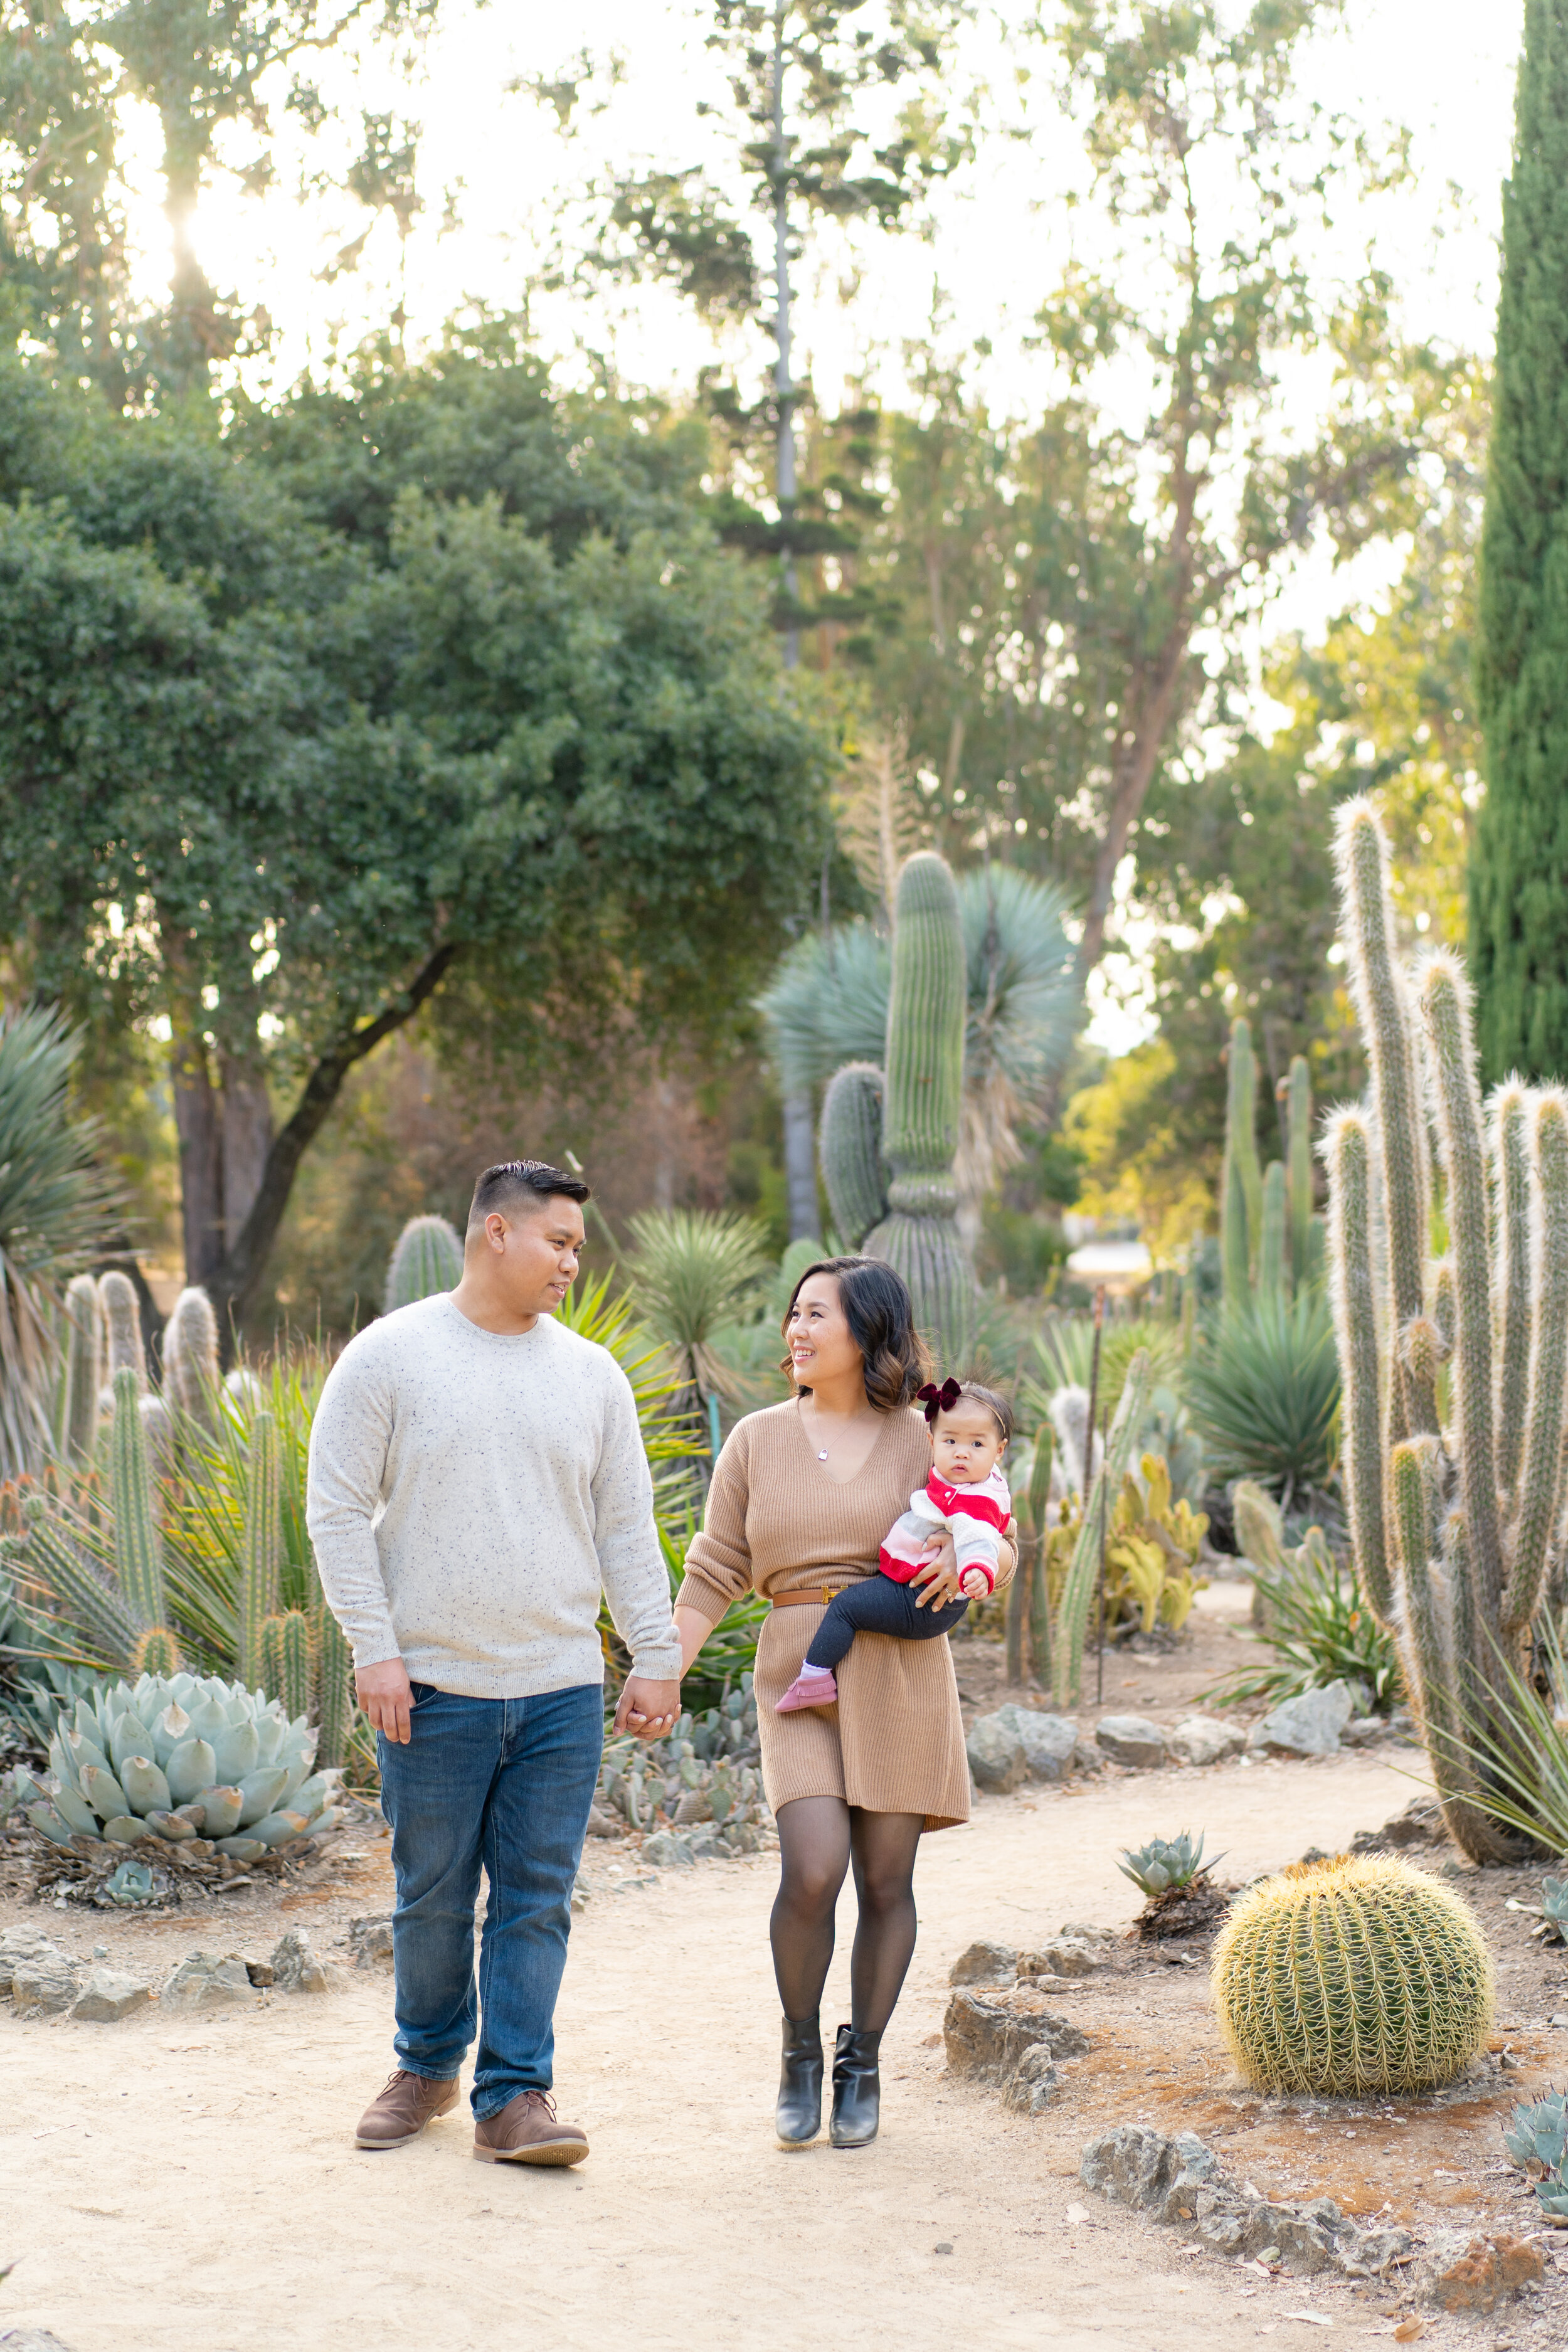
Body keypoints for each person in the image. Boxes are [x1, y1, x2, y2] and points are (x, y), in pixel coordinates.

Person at [306, 1158, 681, 2167]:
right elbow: (336, 1509)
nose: (571, 1261)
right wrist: (373, 1649)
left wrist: (658, 1652)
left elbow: (626, 1527)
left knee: (537, 1895)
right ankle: (426, 2064)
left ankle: (514, 2096)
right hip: (429, 1687)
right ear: (497, 1233)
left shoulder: (593, 1376)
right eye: (558, 1241)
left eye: (578, 1247)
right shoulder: (389, 1357)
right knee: (430, 1894)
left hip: (559, 1686)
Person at [671, 1256, 1017, 2153]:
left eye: (815, 1313)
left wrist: (983, 1565)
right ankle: (799, 2047)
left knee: (888, 1879)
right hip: (799, 1665)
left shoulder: (922, 1434)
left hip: (900, 1666)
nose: (796, 1328)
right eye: (793, 1312)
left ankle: (860, 2057)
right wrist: (663, 1667)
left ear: (866, 1329)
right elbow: (715, 1566)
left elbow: (990, 1517)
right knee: (814, 1865)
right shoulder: (754, 1438)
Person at [775, 1377, 1014, 1713]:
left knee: (846, 1608)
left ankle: (813, 1680)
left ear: (999, 1450)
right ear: (931, 1441)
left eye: (977, 1445)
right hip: (921, 1595)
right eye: (950, 1441)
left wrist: (974, 1567)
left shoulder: (973, 1498)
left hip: (920, 1598)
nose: (961, 1452)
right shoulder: (970, 1480)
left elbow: (982, 1536)